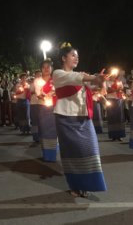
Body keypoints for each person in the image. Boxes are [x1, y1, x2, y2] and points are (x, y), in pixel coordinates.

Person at [53, 42, 107, 198]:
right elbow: (76, 78)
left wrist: (100, 81)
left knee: (90, 150)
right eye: (73, 55)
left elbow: (95, 87)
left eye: (77, 55)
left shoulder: (81, 76)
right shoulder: (58, 73)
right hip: (66, 118)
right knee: (72, 154)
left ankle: (88, 183)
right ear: (64, 58)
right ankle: (76, 186)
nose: (76, 58)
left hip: (83, 118)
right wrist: (94, 78)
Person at [37, 59, 58, 161]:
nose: (46, 69)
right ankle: (46, 154)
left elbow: (58, 91)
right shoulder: (38, 81)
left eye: (48, 67)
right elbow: (38, 94)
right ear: (41, 69)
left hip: (54, 107)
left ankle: (52, 155)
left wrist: (52, 93)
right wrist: (43, 95)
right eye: (43, 67)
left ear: (51, 68)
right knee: (45, 131)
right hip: (43, 108)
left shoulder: (55, 80)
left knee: (53, 131)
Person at [106, 72, 126, 141]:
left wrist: (118, 90)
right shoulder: (107, 82)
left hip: (118, 100)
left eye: (115, 74)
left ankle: (120, 135)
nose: (114, 75)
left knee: (119, 117)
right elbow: (107, 90)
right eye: (112, 74)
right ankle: (113, 135)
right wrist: (116, 89)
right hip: (110, 100)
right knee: (112, 117)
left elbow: (121, 89)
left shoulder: (119, 82)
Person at [30, 70, 42, 142]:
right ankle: (35, 137)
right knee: (34, 121)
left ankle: (41, 136)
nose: (39, 76)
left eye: (40, 75)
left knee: (41, 121)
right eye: (37, 75)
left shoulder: (43, 83)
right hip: (34, 104)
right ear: (35, 75)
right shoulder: (32, 83)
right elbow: (31, 91)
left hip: (41, 104)